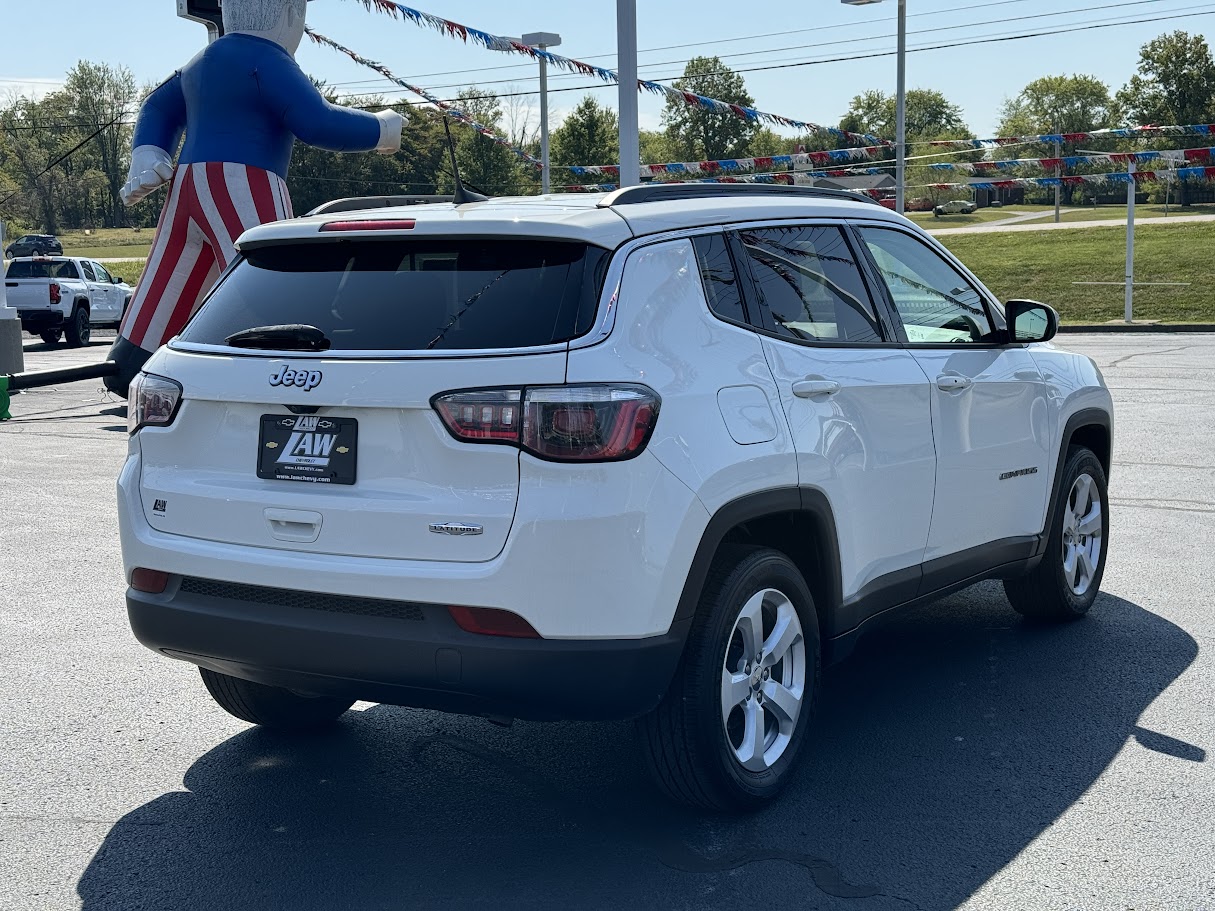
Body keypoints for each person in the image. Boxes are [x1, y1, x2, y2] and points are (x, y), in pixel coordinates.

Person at [105, 0, 404, 396]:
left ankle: (130, 362)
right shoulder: (268, 59)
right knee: (269, 279)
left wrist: (149, 151)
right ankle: (286, 375)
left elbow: (158, 105)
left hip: (186, 184)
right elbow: (317, 122)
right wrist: (381, 128)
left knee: (171, 272)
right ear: (290, 14)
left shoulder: (201, 61)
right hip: (246, 180)